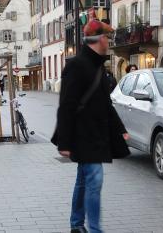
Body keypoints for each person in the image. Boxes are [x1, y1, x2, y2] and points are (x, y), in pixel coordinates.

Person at [53, 20, 129, 233]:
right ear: (100, 39)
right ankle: (95, 229)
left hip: (96, 136)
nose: (109, 42)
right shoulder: (77, 65)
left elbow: (106, 104)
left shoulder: (98, 67)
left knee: (84, 182)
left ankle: (77, 225)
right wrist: (65, 142)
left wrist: (120, 129)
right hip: (82, 136)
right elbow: (66, 106)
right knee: (94, 180)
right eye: (107, 38)